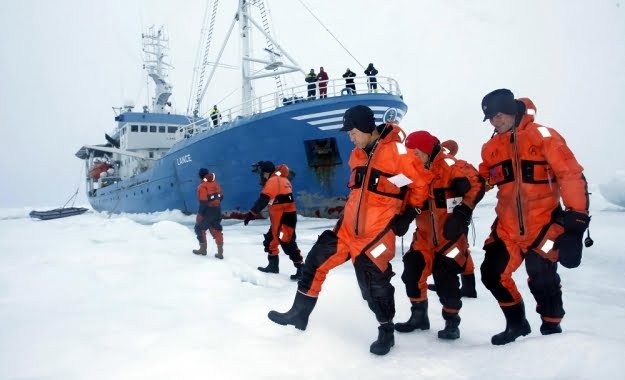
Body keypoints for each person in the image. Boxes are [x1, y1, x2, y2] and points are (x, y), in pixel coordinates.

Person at [267, 105, 433, 356]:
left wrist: (409, 215)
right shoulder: (357, 155)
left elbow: (422, 187)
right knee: (315, 262)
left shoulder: (400, 154)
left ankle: (386, 331)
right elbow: (358, 192)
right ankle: (298, 314)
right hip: (347, 230)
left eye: (353, 131)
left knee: (374, 287)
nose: (350, 137)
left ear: (367, 127)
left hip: (376, 233)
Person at [478, 89, 590, 345]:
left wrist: (576, 224)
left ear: (512, 109)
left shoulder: (543, 136)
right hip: (507, 229)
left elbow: (570, 175)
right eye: (490, 118)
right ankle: (516, 323)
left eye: (498, 115)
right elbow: (485, 178)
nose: (496, 122)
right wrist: (469, 188)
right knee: (492, 274)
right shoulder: (491, 148)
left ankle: (552, 330)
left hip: (545, 226)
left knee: (541, 275)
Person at [395, 131, 484, 340]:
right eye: (410, 153)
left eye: (416, 152)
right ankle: (419, 317)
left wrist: (463, 211)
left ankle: (452, 323)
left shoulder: (451, 166)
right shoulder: (410, 171)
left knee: (446, 280)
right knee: (412, 272)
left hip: (449, 235)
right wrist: (402, 217)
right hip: (424, 236)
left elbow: (478, 184)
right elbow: (400, 194)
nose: (413, 157)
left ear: (427, 149)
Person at [426, 139, 478, 298]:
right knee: (459, 248)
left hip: (454, 214)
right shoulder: (451, 161)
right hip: (457, 212)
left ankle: (468, 286)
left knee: (459, 249)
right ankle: (465, 284)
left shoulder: (448, 163)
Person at [243, 161, 304, 280]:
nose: (262, 176)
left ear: (266, 172)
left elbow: (263, 199)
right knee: (271, 240)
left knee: (287, 242)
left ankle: (302, 269)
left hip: (284, 218)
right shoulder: (283, 179)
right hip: (280, 218)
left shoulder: (273, 181)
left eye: (263, 173)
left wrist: (251, 214)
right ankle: (273, 266)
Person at [193, 168, 224, 259]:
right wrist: (216, 203)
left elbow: (203, 202)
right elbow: (221, 197)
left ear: (200, 176)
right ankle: (220, 253)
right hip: (217, 210)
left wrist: (200, 214)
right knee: (216, 229)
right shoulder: (216, 183)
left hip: (207, 210)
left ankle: (203, 249)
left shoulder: (202, 186)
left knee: (199, 228)